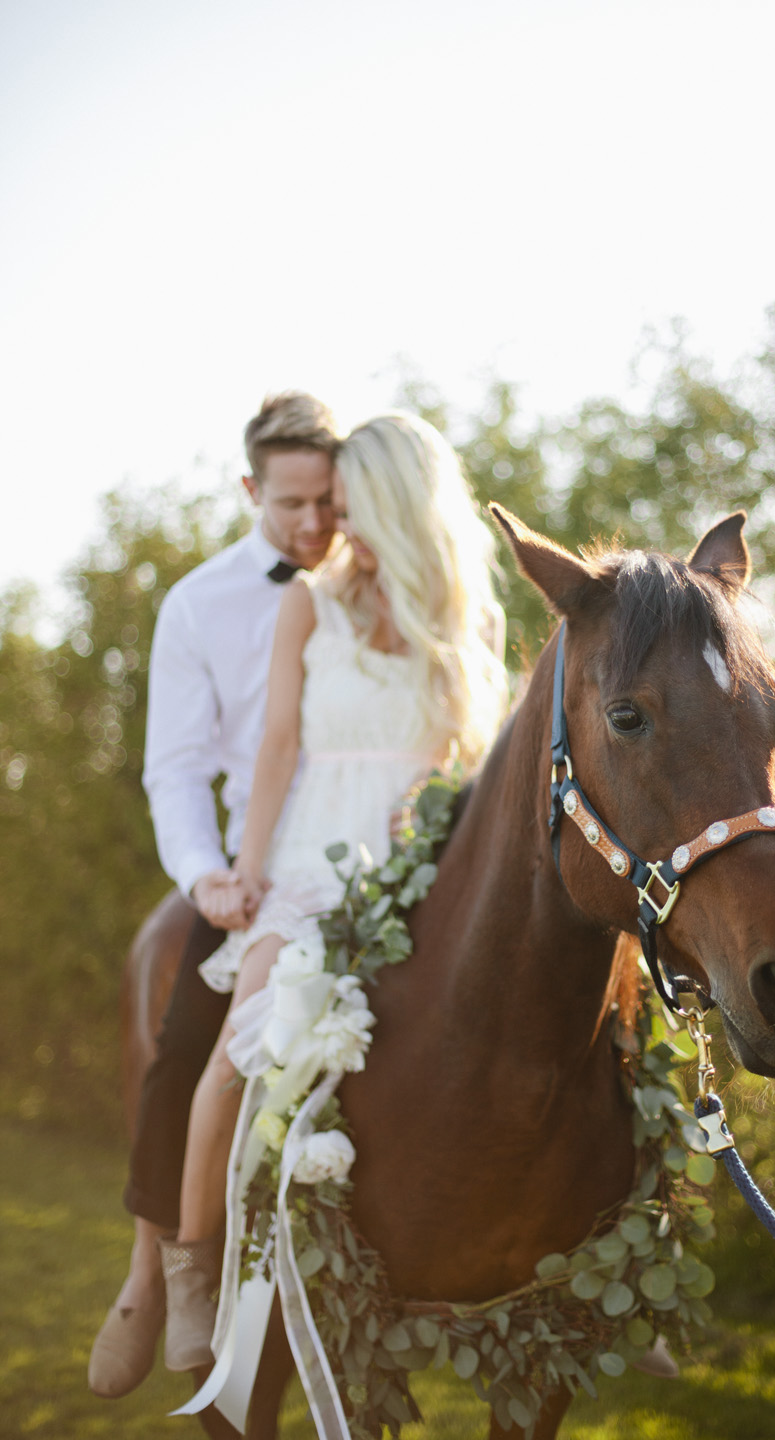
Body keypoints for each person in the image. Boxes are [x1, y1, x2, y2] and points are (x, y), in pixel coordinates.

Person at [158, 412, 508, 1370]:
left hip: (422, 861)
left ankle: (580, 1239)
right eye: (327, 507)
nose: (335, 528)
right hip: (313, 851)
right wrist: (250, 869)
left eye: (351, 509)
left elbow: (476, 760)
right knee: (237, 1053)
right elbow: (276, 747)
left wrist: (434, 814)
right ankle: (193, 1277)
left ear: (401, 508)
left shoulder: (472, 614)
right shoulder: (311, 602)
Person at [88, 392, 340, 1399]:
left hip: (373, 845)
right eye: (291, 506)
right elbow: (177, 767)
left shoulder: (383, 580)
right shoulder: (198, 604)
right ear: (250, 491)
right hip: (255, 864)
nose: (315, 527)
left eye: (329, 501)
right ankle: (153, 1271)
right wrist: (207, 876)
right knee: (187, 1041)